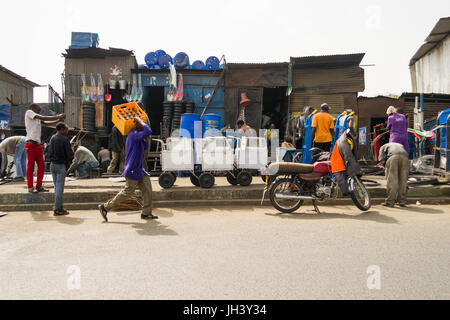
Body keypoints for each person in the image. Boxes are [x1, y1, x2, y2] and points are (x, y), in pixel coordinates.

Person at [99, 117, 157, 222]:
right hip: (133, 168)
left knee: (147, 190)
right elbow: (148, 131)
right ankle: (105, 207)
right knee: (128, 192)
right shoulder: (133, 135)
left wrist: (142, 128)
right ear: (136, 125)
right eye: (142, 124)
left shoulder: (137, 136)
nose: (144, 126)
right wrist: (141, 122)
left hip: (140, 168)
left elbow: (146, 141)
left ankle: (146, 213)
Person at [25, 103, 65, 193]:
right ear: (33, 108)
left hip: (38, 144)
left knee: (41, 166)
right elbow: (43, 118)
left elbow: (46, 123)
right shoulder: (29, 112)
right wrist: (57, 116)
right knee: (30, 166)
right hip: (30, 144)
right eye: (38, 110)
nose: (39, 112)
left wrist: (58, 120)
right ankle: (30, 187)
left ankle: (39, 186)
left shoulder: (37, 118)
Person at [46, 123, 74, 216]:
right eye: (66, 129)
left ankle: (59, 206)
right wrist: (68, 161)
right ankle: (57, 208)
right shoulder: (65, 139)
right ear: (62, 129)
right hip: (60, 165)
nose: (67, 131)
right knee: (59, 188)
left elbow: (48, 151)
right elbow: (70, 154)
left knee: (56, 187)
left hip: (52, 165)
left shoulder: (52, 138)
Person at [379, 142, 409, 207]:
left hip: (393, 157)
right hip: (405, 158)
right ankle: (402, 201)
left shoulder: (383, 146)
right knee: (403, 180)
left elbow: (381, 158)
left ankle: (390, 202)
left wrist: (385, 166)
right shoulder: (400, 145)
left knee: (392, 180)